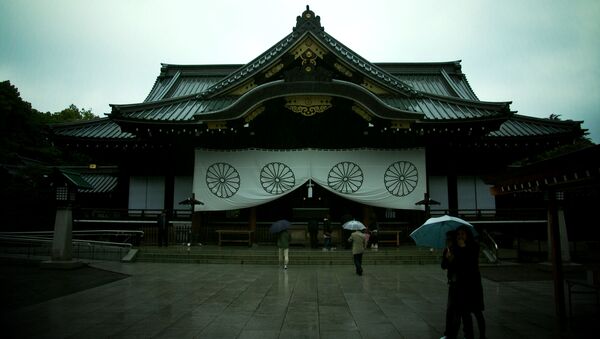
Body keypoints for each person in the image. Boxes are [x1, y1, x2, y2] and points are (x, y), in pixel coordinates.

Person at [453, 225, 486, 339]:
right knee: (465, 312)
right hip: (461, 284)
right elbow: (456, 265)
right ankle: (469, 335)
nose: (460, 236)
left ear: (467, 235)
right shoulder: (455, 248)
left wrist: (463, 248)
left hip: (473, 283)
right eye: (458, 234)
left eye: (463, 234)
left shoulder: (474, 246)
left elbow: (471, 263)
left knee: (477, 312)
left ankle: (482, 335)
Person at [440, 230, 460, 339]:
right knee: (450, 310)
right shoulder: (446, 250)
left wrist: (453, 259)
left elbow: (462, 265)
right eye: (446, 239)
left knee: (458, 311)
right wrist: (447, 258)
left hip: (461, 283)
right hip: (452, 282)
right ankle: (447, 333)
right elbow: (443, 266)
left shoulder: (459, 250)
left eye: (449, 239)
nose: (447, 241)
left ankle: (454, 334)